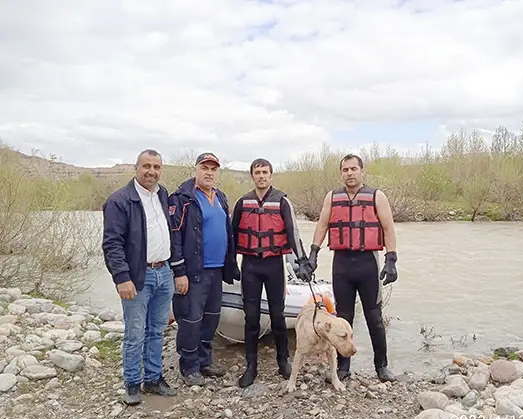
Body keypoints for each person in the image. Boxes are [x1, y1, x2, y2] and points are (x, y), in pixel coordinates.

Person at [306, 153, 398, 383]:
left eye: (353, 169)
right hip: (342, 264)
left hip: (368, 263)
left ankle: (381, 366)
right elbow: (323, 225)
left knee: (374, 317)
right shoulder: (332, 197)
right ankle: (343, 367)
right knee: (343, 317)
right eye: (345, 170)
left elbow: (388, 227)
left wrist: (391, 259)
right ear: (341, 173)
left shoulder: (377, 196)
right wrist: (313, 253)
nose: (349, 173)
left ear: (362, 171)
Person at [102, 149, 177, 406]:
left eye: (156, 167)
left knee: (157, 330)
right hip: (137, 276)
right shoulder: (120, 200)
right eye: (146, 166)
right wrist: (121, 277)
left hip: (164, 271)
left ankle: (153, 379)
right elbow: (112, 244)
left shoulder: (163, 195)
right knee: (135, 333)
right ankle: (132, 383)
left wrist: (175, 270)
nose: (151, 171)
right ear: (136, 168)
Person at [231, 158, 314, 388]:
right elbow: (232, 235)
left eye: (265, 172)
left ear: (271, 175)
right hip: (250, 266)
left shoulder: (282, 202)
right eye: (257, 172)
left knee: (278, 315)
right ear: (252, 176)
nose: (261, 176)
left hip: (274, 264)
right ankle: (251, 366)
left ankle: (283, 361)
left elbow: (293, 233)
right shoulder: (242, 202)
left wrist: (303, 261)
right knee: (251, 317)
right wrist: (230, 263)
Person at [168, 152, 240, 386]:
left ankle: (204, 361)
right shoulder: (182, 198)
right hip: (193, 271)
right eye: (204, 167)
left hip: (217, 270)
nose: (209, 172)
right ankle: (189, 367)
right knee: (191, 320)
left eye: (213, 168)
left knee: (211, 319)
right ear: (196, 170)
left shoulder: (221, 197)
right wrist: (179, 272)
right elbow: (174, 236)